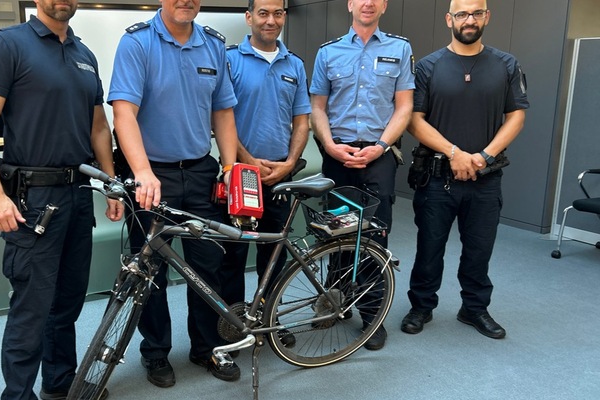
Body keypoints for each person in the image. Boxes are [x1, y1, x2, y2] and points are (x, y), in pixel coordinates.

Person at [0, 0, 123, 398]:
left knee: (68, 300)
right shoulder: (9, 44)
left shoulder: (84, 54)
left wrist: (110, 182)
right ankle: (18, 394)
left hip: (78, 193)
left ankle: (60, 382)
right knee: (32, 306)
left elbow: (98, 126)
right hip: (33, 200)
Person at [107, 0, 240, 388]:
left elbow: (223, 111)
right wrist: (142, 171)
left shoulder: (213, 44)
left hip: (200, 173)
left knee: (208, 266)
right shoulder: (138, 43)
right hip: (152, 175)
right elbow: (123, 113)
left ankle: (207, 347)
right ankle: (156, 352)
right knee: (150, 271)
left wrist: (229, 167)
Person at [402, 0, 528, 340]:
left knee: (479, 249)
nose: (469, 20)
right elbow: (414, 120)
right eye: (461, 14)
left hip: (486, 179)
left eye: (476, 13)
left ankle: (474, 308)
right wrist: (454, 153)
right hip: (437, 178)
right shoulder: (428, 67)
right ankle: (421, 306)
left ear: (487, 16)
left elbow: (516, 116)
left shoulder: (506, 64)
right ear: (449, 19)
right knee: (429, 248)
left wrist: (484, 156)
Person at [309, 0, 415, 351]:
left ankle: (372, 315)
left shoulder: (400, 49)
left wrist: (382, 146)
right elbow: (317, 107)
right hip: (337, 155)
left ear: (383, 5)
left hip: (379, 155)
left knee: (373, 237)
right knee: (335, 233)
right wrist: (329, 145)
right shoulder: (328, 52)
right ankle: (335, 301)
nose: (368, 3)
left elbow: (404, 106)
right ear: (350, 4)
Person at [220, 0, 310, 315]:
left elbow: (302, 122)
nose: (270, 20)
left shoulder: (294, 65)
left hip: (280, 176)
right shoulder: (229, 59)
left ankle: (268, 319)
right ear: (249, 18)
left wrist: (290, 162)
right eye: (263, 13)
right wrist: (248, 160)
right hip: (239, 174)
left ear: (284, 17)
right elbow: (221, 119)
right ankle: (232, 323)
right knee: (231, 254)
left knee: (273, 255)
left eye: (277, 13)